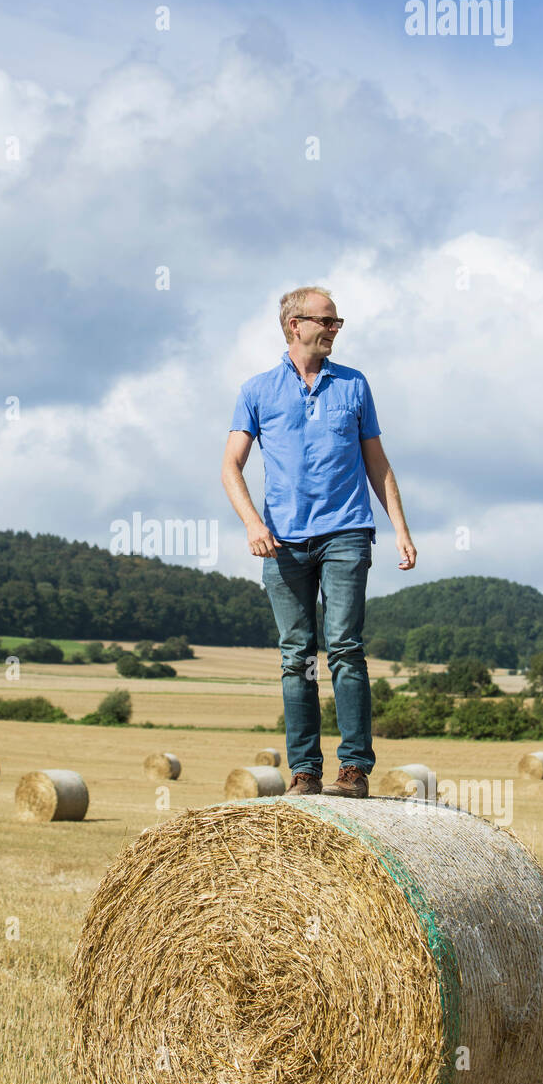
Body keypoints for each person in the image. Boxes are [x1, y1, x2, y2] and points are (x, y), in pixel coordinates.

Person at [221, 285, 416, 798]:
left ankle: (354, 768)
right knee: (296, 656)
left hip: (347, 532)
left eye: (337, 323)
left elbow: (377, 464)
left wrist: (400, 527)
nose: (333, 330)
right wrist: (252, 524)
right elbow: (229, 467)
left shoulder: (354, 385)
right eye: (326, 321)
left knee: (346, 647)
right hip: (282, 542)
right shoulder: (256, 391)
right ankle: (305, 771)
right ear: (295, 325)